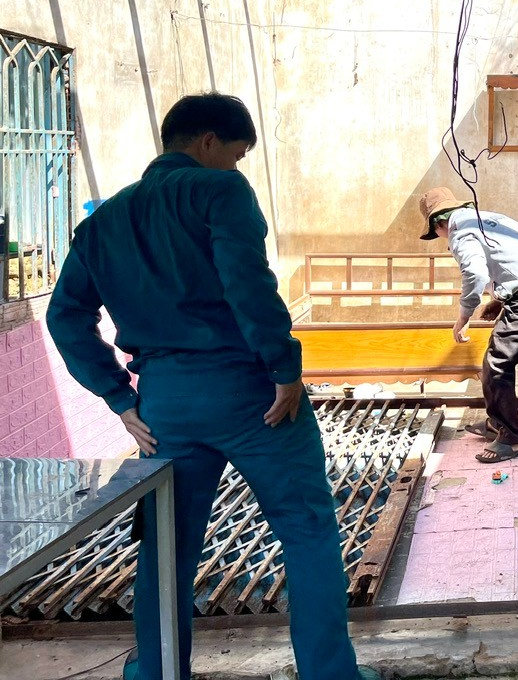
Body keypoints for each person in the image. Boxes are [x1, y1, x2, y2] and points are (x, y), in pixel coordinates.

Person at [46, 94, 375, 680]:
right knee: (306, 531)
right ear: (207, 142)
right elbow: (247, 282)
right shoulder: (219, 191)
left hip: (163, 406)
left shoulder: (101, 223)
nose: (237, 165)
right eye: (238, 153)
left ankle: (157, 672)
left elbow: (65, 317)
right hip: (250, 393)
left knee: (165, 548)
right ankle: (330, 674)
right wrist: (284, 368)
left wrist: (118, 396)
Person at [419, 188, 518, 463]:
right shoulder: (486, 218)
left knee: (497, 363)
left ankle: (513, 439)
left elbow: (475, 273)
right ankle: (497, 423)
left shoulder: (460, 232)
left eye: (436, 233)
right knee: (495, 359)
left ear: (438, 224)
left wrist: (463, 317)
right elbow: (511, 260)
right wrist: (498, 300)